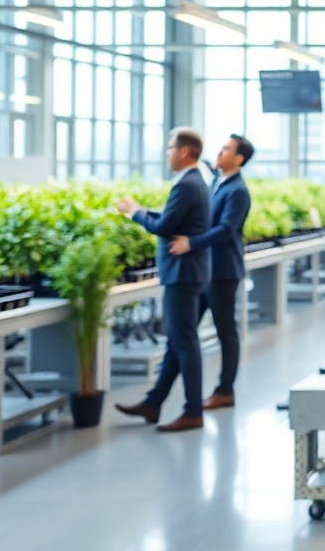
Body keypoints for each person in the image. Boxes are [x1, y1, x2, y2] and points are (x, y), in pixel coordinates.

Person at [114, 127, 213, 432]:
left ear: (184, 151)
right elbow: (174, 217)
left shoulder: (187, 185)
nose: (167, 153)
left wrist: (134, 214)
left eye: (171, 148)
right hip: (190, 273)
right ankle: (153, 403)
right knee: (178, 343)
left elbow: (166, 225)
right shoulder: (194, 182)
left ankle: (193, 411)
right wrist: (144, 210)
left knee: (185, 343)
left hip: (182, 275)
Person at [168, 134, 254, 411]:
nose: (220, 152)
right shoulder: (217, 183)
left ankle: (225, 390)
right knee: (184, 331)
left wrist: (190, 243)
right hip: (206, 270)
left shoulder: (238, 191)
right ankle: (156, 397)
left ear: (238, 159)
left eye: (226, 149)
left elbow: (225, 229)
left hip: (223, 271)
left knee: (225, 330)